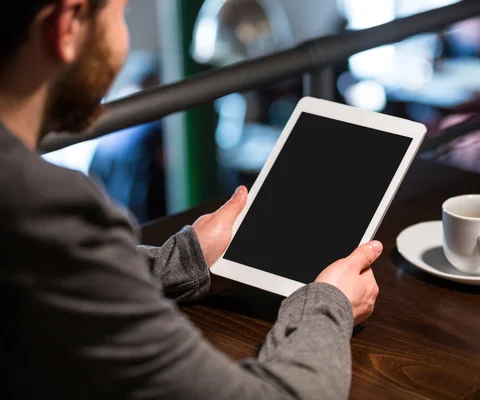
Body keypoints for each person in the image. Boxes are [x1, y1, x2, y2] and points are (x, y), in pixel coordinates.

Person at [0, 1, 381, 399]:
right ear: (65, 26)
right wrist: (329, 303)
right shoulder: (45, 210)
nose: (125, 37)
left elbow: (66, 276)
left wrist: (185, 259)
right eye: (120, 14)